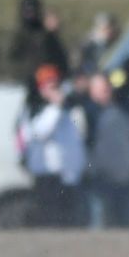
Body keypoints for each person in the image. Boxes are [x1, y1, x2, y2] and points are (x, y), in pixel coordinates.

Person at [17, 65, 86, 226]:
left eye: (57, 86)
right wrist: (55, 107)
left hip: (69, 176)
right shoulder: (33, 109)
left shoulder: (70, 109)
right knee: (48, 221)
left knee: (70, 222)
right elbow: (39, 132)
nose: (55, 91)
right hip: (46, 177)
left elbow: (78, 135)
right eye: (50, 87)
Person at [84, 72, 129, 229]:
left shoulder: (126, 111)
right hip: (100, 179)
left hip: (126, 179)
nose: (107, 91)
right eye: (102, 88)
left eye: (108, 87)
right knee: (100, 224)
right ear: (91, 91)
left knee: (126, 226)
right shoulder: (87, 114)